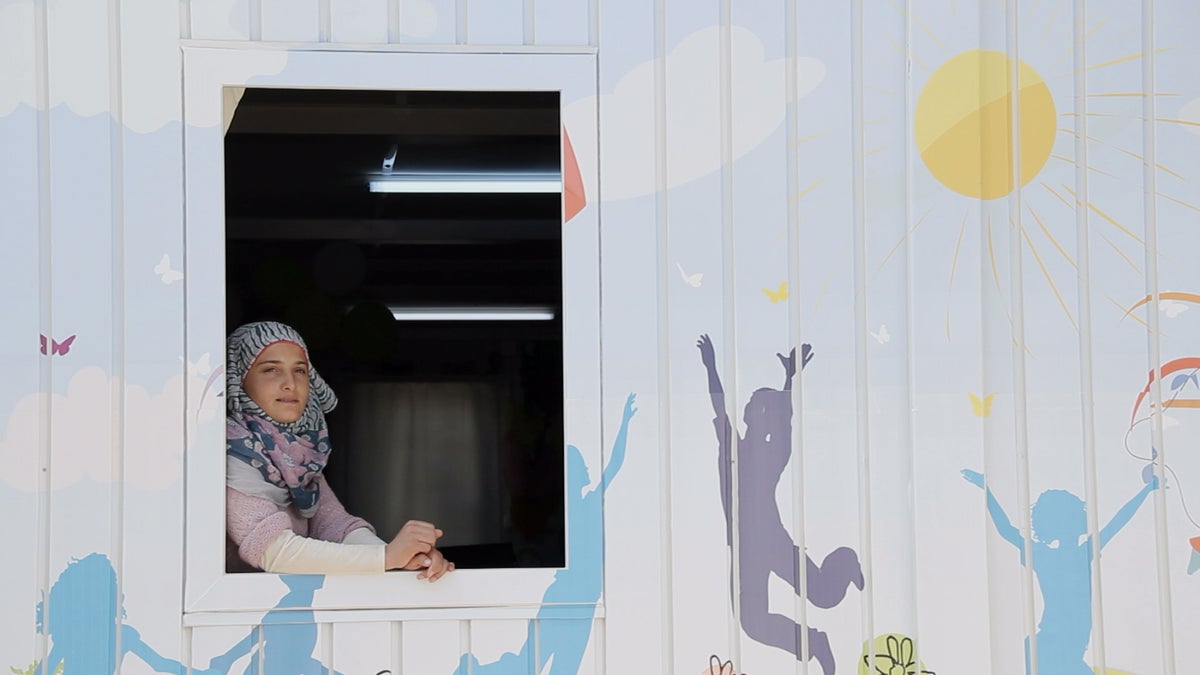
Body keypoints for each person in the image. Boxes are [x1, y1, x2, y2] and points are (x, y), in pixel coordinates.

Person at [225, 320, 452, 578]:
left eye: (300, 370)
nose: (290, 383)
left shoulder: (298, 453)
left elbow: (335, 527)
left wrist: (410, 558)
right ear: (238, 380)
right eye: (271, 370)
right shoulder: (231, 452)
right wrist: (385, 558)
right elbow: (275, 552)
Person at [697, 334, 864, 675]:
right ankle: (814, 642)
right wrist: (710, 368)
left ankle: (844, 562)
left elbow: (783, 427)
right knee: (753, 623)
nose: (747, 407)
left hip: (771, 540)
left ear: (762, 417)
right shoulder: (733, 446)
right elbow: (719, 405)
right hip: (745, 548)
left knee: (823, 595)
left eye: (756, 405)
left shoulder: (773, 454)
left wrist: (788, 381)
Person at [961, 468, 1158, 674]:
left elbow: (1119, 521)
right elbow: (1005, 529)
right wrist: (985, 488)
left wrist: (1146, 492)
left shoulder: (1078, 553)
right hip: (1053, 648)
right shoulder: (1051, 556)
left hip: (1064, 650)